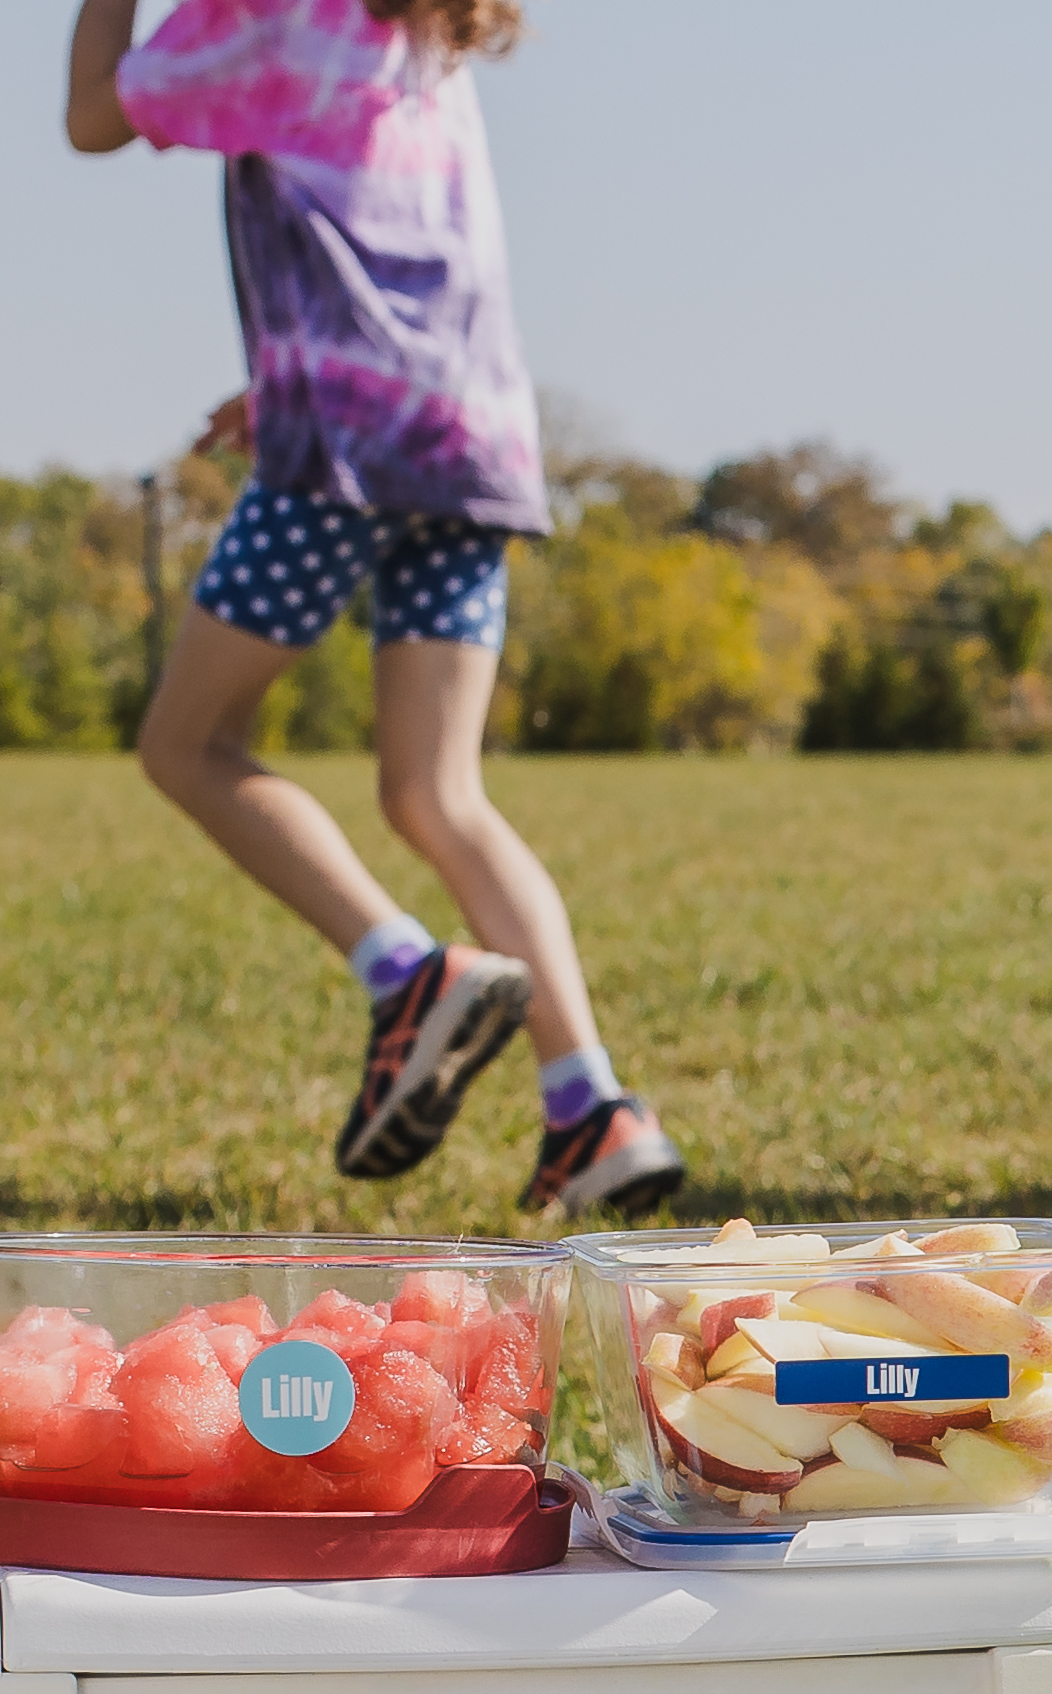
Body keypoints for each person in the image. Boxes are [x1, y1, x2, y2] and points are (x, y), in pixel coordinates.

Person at [64, 0, 682, 1222]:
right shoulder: (426, 40)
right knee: (437, 794)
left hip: (346, 449)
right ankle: (592, 1107)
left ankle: (404, 970)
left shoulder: (265, 17)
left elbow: (93, 118)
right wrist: (284, 366)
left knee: (185, 744)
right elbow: (389, 249)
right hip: (472, 445)